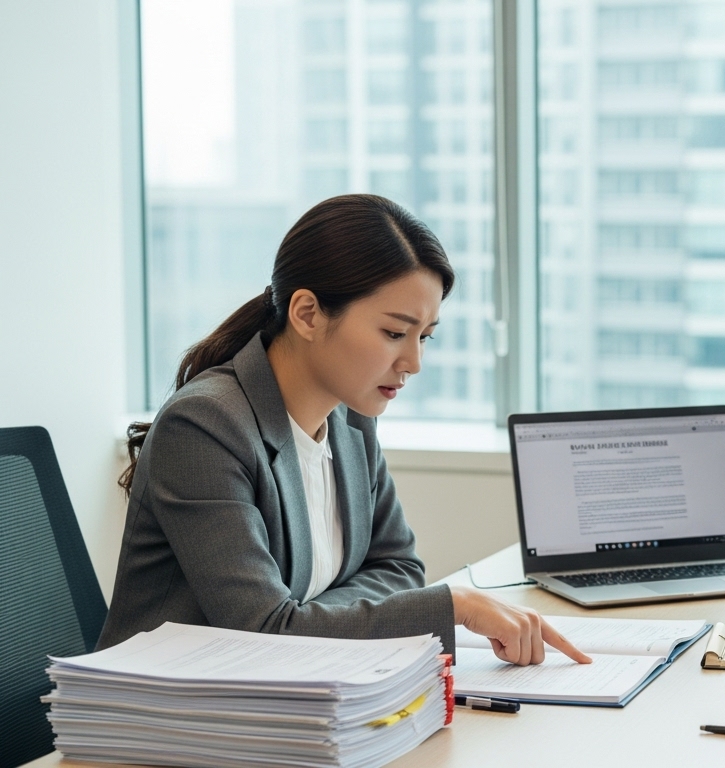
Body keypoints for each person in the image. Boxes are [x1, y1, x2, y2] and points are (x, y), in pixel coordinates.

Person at [101, 194, 589, 668]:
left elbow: (400, 569)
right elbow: (263, 633)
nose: (414, 362)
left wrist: (311, 619)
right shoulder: (205, 426)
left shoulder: (351, 420)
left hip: (297, 698)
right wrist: (452, 606)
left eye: (425, 337)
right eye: (395, 333)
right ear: (308, 313)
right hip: (171, 719)